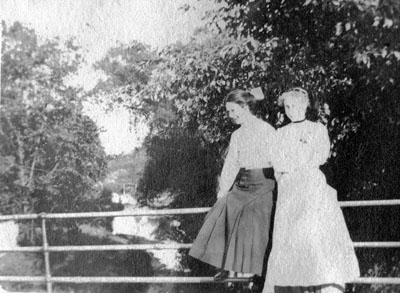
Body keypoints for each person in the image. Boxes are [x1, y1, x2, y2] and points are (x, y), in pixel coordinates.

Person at [263, 88, 360, 293]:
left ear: (305, 105)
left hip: (311, 185)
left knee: (314, 233)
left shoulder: (317, 129)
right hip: (289, 189)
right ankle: (292, 284)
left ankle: (323, 281)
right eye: (287, 106)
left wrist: (298, 164)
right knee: (290, 236)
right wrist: (294, 166)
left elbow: (321, 155)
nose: (291, 110)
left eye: (296, 105)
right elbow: (277, 161)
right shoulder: (280, 133)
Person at [189, 89, 276, 284]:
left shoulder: (266, 129)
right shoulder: (237, 135)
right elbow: (231, 164)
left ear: (245, 107)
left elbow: (278, 160)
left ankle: (259, 273)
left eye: (233, 110)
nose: (231, 115)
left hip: (263, 182)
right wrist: (223, 190)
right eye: (228, 112)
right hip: (242, 183)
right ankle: (225, 265)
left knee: (256, 222)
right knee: (222, 211)